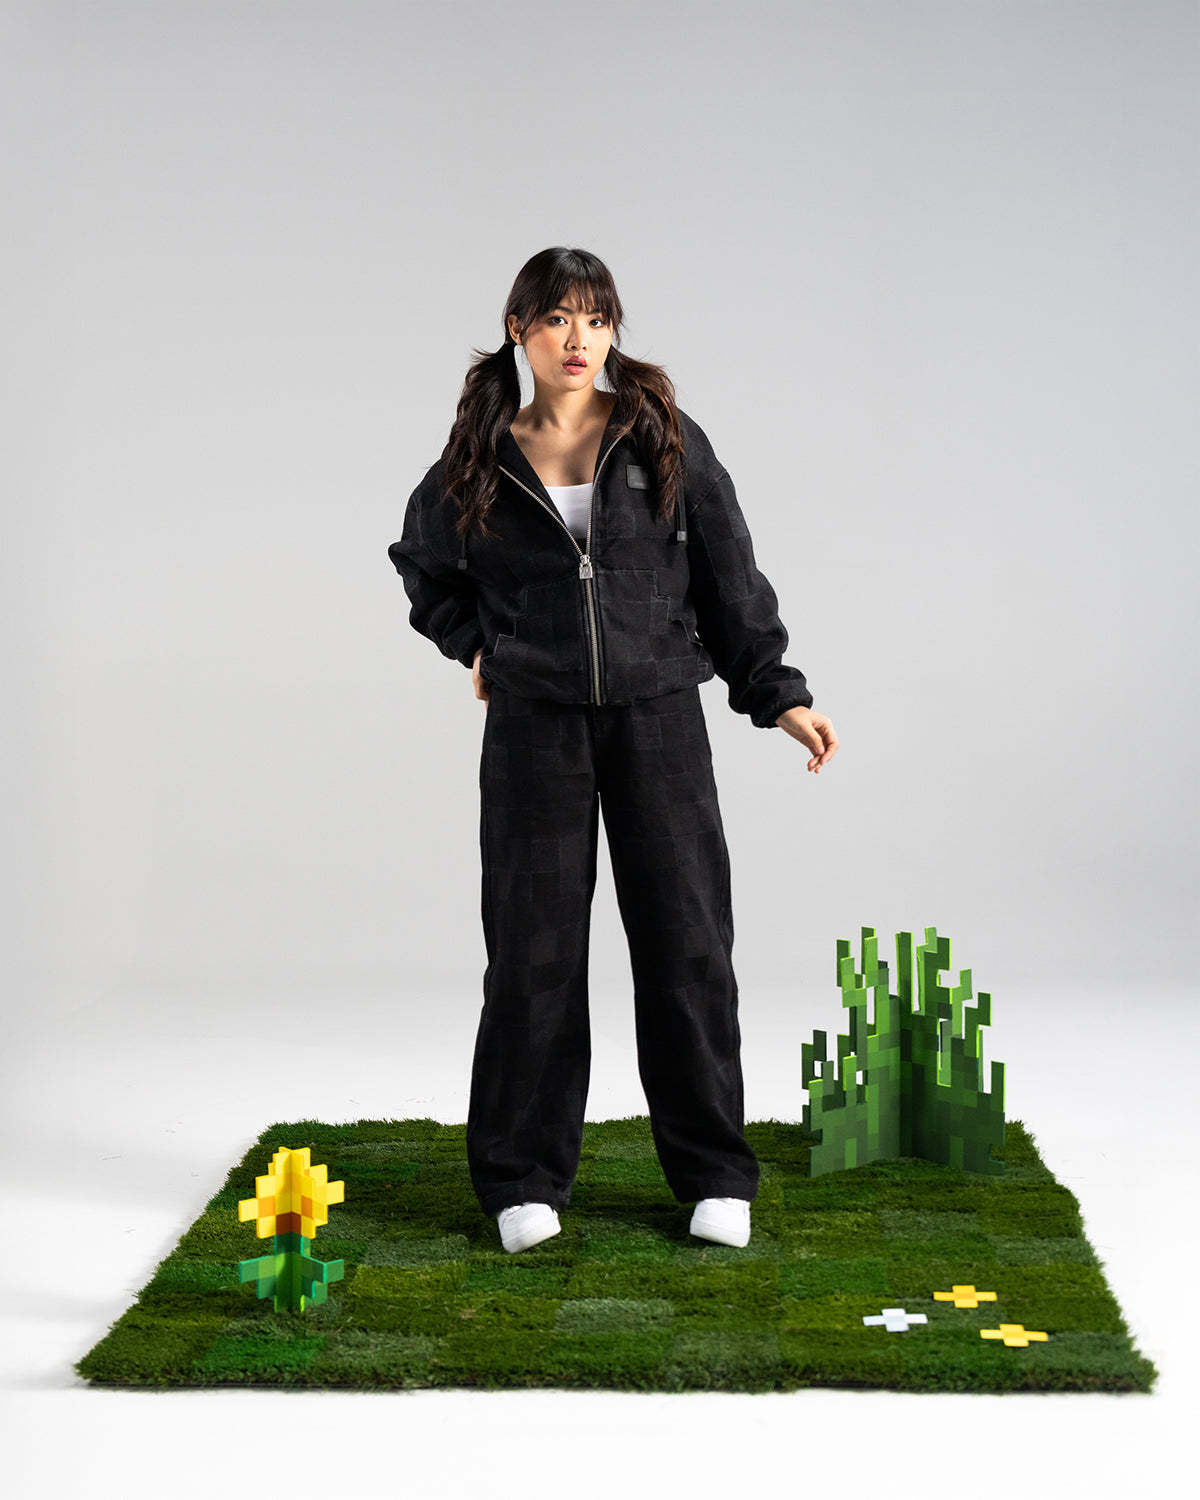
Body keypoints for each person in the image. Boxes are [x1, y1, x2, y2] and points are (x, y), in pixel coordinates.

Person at [388, 247, 839, 1255]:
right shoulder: (480, 456)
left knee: (688, 943)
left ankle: (714, 1174)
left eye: (596, 318)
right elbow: (422, 567)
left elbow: (729, 573)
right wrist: (481, 646)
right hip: (534, 728)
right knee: (532, 954)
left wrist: (779, 694)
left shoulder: (662, 434)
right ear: (520, 330)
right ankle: (521, 1179)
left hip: (659, 715)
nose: (578, 339)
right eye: (557, 318)